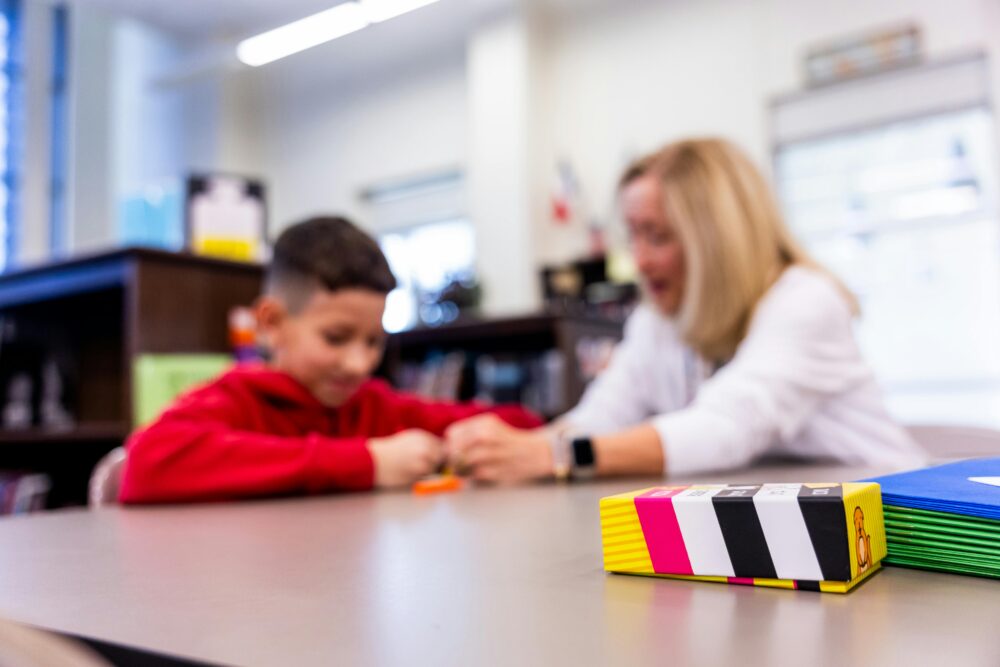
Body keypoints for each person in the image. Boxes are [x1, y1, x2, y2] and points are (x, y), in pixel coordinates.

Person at [445, 138, 924, 482]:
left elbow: (728, 427)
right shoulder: (658, 319)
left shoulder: (805, 301)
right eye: (632, 235)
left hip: (894, 530)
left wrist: (557, 453)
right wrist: (511, 449)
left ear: (719, 238)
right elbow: (602, 414)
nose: (640, 259)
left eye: (658, 235)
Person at [118, 217, 541, 503]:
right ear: (272, 322)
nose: (358, 364)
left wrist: (475, 442)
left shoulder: (374, 406)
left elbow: (522, 422)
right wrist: (367, 463)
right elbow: (146, 464)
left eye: (374, 342)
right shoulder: (235, 400)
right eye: (336, 338)